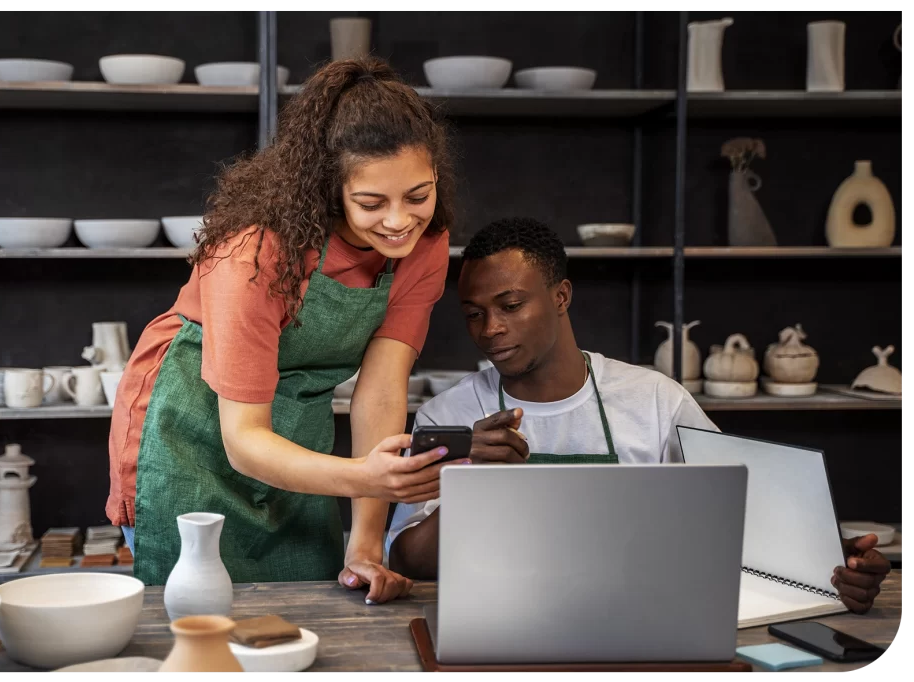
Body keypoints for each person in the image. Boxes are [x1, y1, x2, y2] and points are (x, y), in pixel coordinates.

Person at [385, 216, 891, 615]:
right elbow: (406, 559)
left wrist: (832, 561)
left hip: (643, 612)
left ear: (561, 296)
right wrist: (474, 489)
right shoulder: (448, 412)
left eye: (511, 305)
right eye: (474, 313)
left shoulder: (653, 399)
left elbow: (738, 517)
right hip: (501, 616)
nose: (490, 328)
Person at [106, 56, 468, 604]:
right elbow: (244, 438)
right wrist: (364, 477)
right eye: (372, 203)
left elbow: (382, 388)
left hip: (295, 424)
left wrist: (366, 543)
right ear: (331, 189)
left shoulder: (423, 245)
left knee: (309, 602)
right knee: (197, 610)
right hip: (194, 426)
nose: (400, 221)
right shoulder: (255, 251)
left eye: (418, 195)